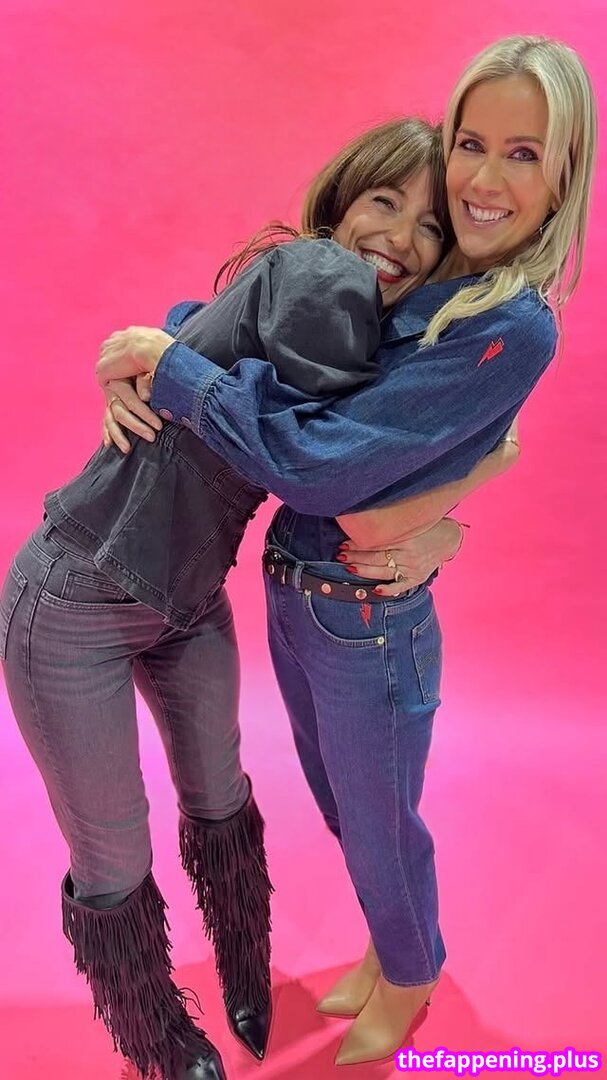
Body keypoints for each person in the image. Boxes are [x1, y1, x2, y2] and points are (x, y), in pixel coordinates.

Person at [97, 36, 597, 1067]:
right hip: (297, 593)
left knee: (379, 824)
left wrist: (178, 371)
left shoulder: (509, 325)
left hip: (365, 619)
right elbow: (271, 338)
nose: (483, 178)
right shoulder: (422, 279)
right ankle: (389, 947)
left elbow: (322, 468)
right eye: (470, 143)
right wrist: (159, 353)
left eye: (523, 154)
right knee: (342, 808)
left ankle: (410, 975)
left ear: (564, 178)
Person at [0, 117, 514, 1080]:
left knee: (222, 799)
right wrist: (154, 360)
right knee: (113, 849)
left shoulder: (344, 301)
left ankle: (242, 975)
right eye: (383, 201)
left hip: (188, 598)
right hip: (74, 600)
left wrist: (167, 354)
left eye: (430, 226)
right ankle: (154, 1035)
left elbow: (227, 344)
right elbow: (311, 455)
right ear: (341, 202)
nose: (400, 238)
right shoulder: (321, 275)